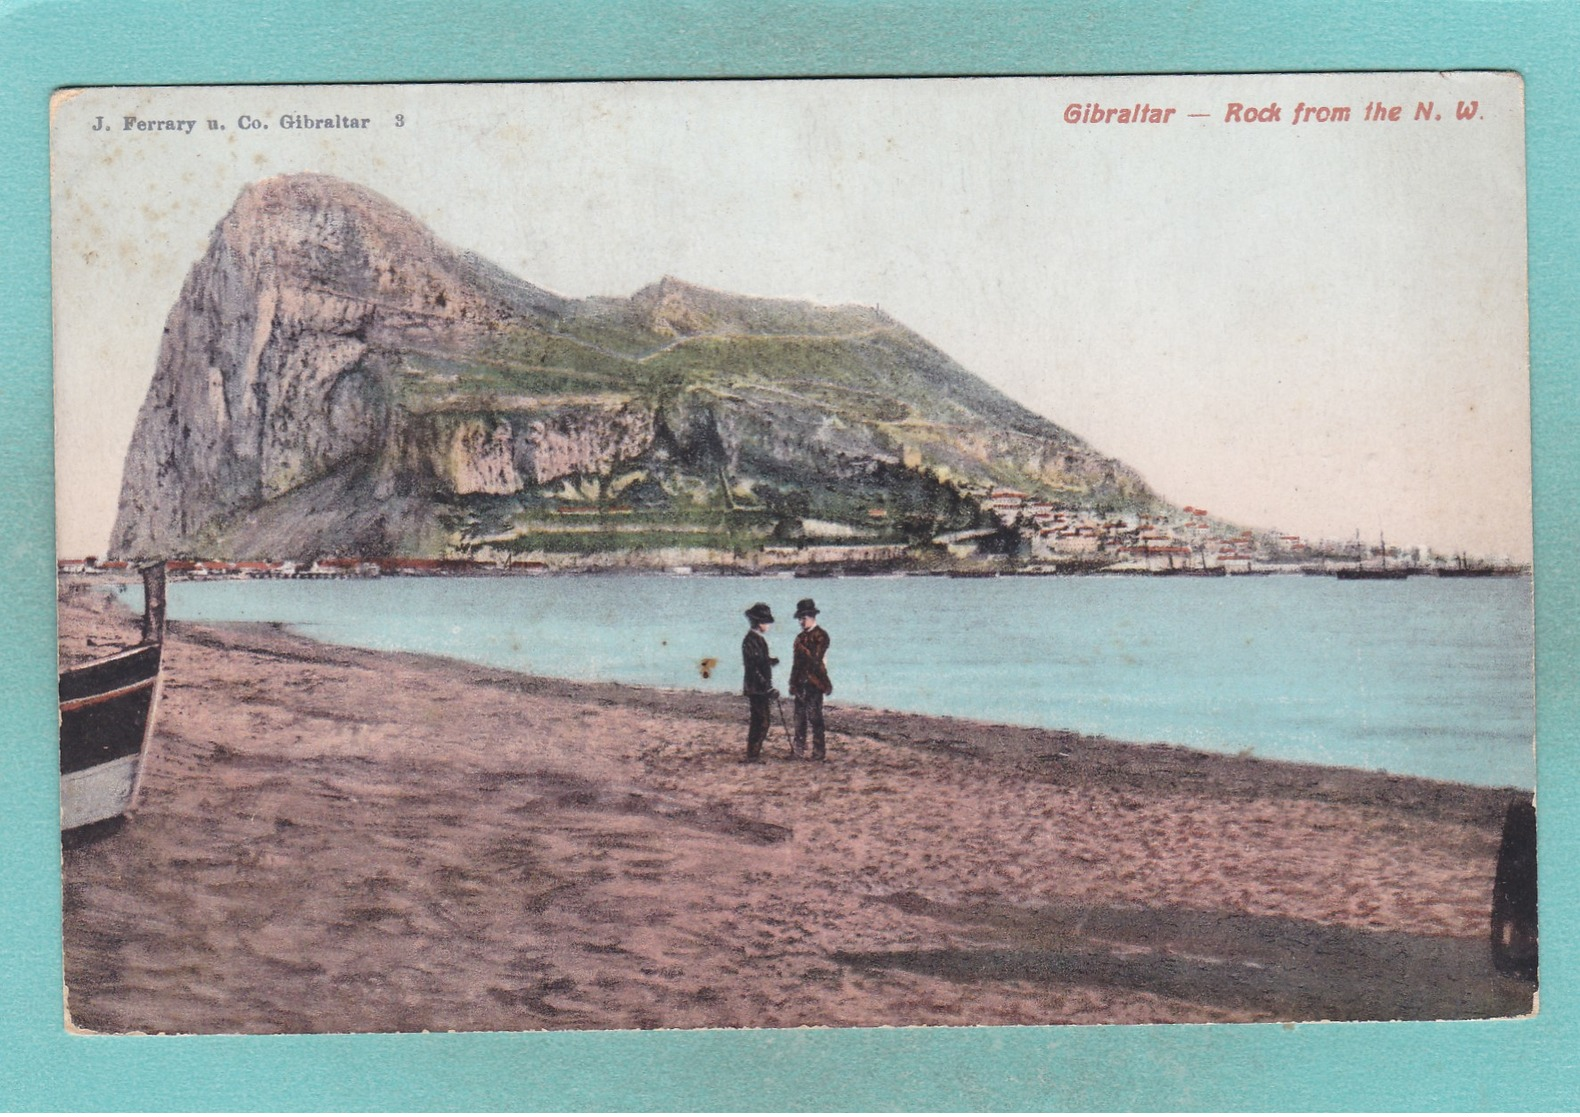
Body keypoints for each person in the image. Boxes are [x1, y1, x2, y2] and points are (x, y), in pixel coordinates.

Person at [789, 597, 833, 760]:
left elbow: (816, 659)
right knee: (799, 719)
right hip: (801, 683)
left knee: (815, 718)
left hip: (815, 682)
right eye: (799, 618)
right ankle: (798, 751)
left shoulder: (822, 635)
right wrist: (792, 683)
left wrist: (802, 650)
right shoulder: (799, 637)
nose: (801, 622)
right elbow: (795, 664)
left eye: (804, 618)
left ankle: (819, 752)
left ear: (812, 617)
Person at [740, 602, 778, 763]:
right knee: (762, 721)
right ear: (759, 623)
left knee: (759, 720)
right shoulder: (752, 640)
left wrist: (769, 661)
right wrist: (767, 687)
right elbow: (753, 668)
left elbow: (758, 661)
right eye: (766, 622)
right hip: (757, 688)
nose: (768, 626)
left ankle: (753, 754)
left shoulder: (755, 639)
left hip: (757, 687)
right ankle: (753, 755)